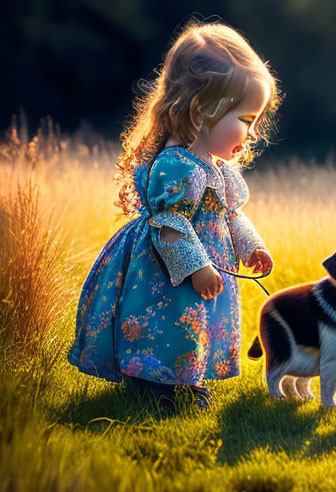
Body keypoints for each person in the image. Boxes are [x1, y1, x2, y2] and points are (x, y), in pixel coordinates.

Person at [67, 21, 279, 409]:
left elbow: (231, 215)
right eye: (246, 120)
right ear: (201, 111)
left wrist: (252, 247)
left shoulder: (216, 169)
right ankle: (156, 384)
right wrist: (197, 266)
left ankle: (185, 378)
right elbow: (170, 225)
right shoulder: (177, 166)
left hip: (203, 267)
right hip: (168, 271)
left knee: (192, 324)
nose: (251, 133)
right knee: (165, 323)